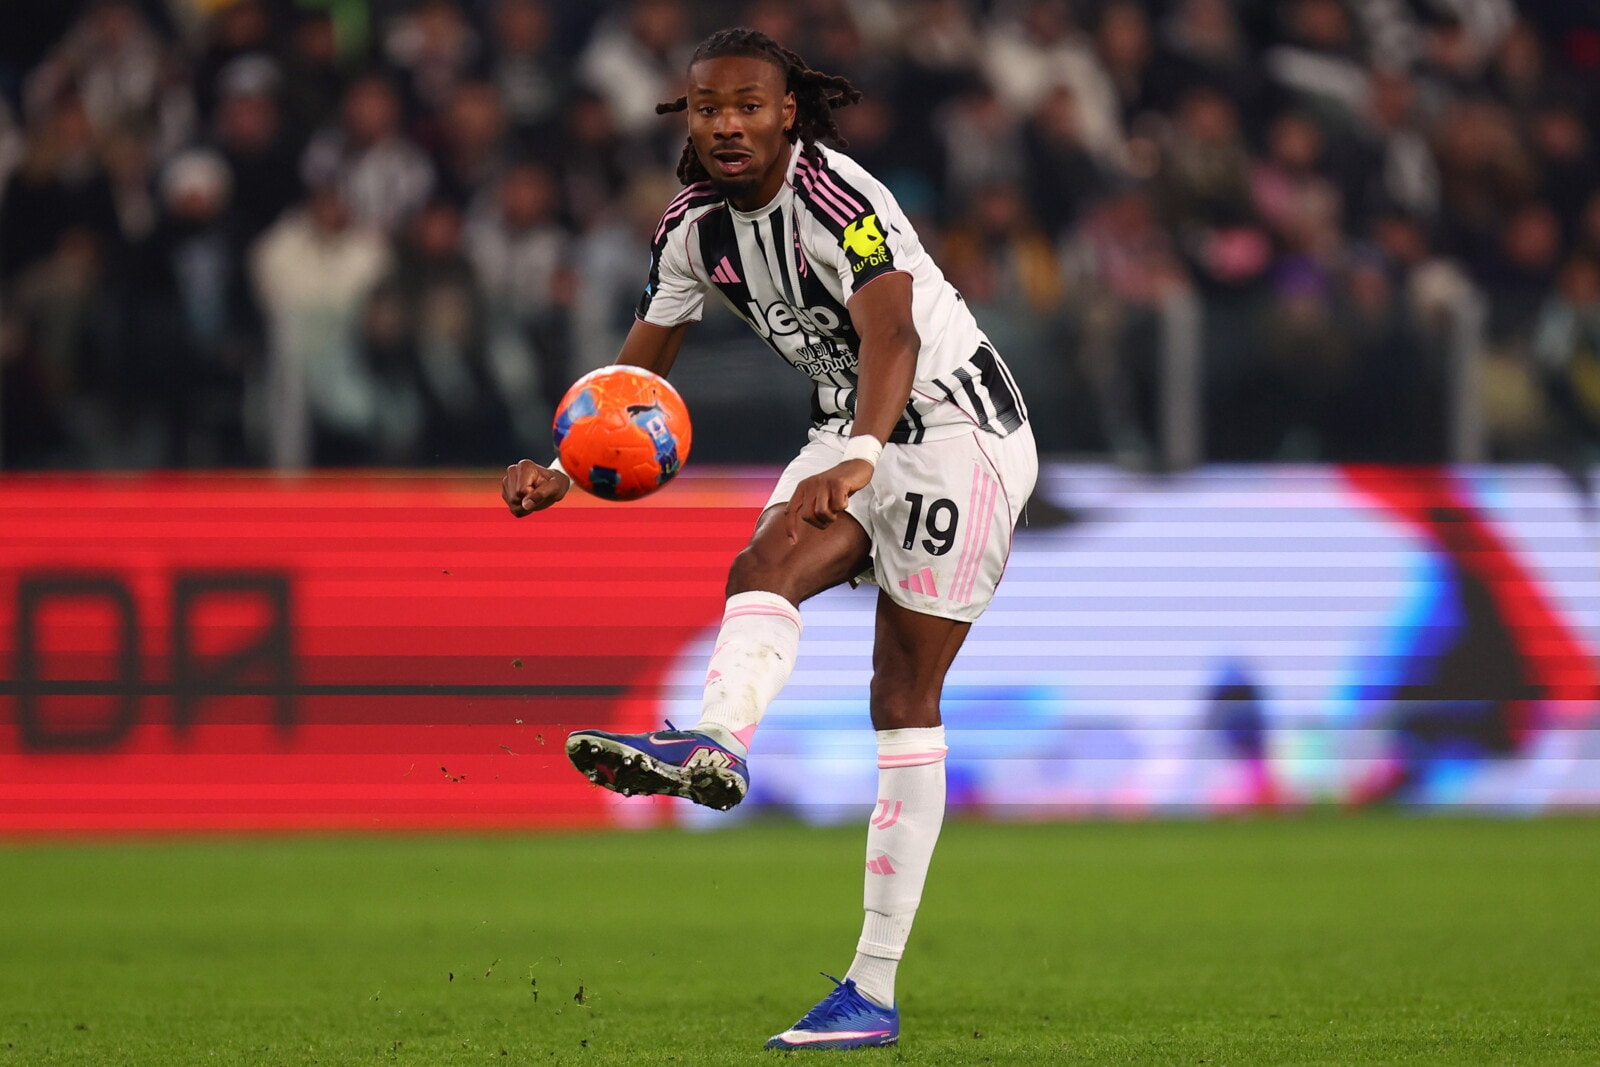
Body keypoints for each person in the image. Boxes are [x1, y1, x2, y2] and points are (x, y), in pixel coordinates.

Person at [499, 27, 1037, 1051]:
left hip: (957, 432)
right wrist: (565, 467)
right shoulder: (691, 225)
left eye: (748, 105)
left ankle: (871, 986)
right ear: (687, 117)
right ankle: (715, 738)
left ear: (788, 113)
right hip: (851, 428)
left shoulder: (842, 200)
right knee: (761, 566)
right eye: (709, 108)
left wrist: (862, 456)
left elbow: (893, 334)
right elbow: (639, 373)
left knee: (900, 696)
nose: (728, 125)